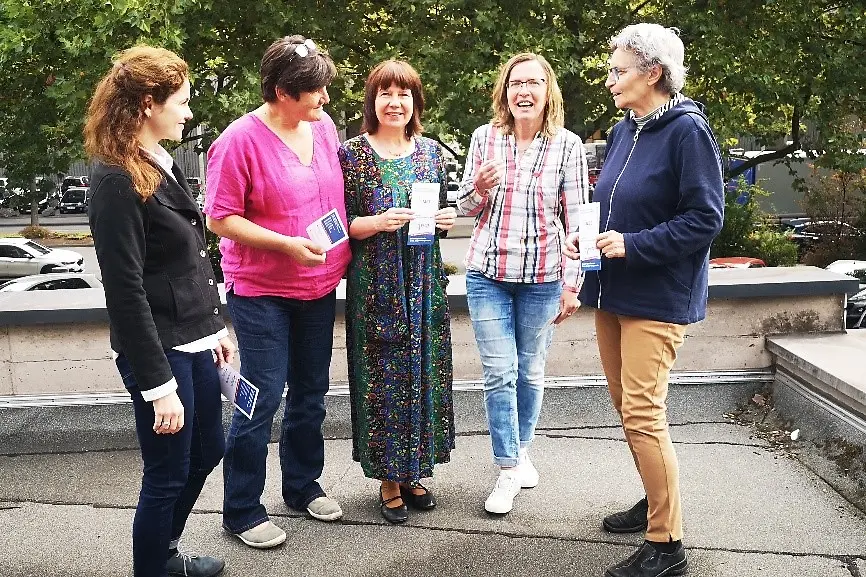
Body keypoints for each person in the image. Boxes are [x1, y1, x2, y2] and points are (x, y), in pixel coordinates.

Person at [564, 24, 724, 577]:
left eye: (619, 70)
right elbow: (615, 204)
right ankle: (656, 499)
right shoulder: (624, 130)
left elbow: (705, 219)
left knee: (642, 412)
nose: (609, 80)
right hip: (612, 290)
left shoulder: (688, 133)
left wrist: (632, 245)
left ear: (652, 72)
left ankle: (668, 543)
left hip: (657, 295)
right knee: (628, 410)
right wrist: (587, 238)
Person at [85, 46, 234, 577]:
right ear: (149, 104)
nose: (188, 112)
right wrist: (158, 385)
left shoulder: (157, 165)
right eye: (182, 102)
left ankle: (165, 549)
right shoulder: (115, 179)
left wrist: (213, 326)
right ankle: (154, 566)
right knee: (167, 472)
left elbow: (187, 261)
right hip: (160, 353)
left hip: (191, 338)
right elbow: (125, 292)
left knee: (208, 449)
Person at [205, 36, 351, 548]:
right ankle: (241, 508)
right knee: (260, 397)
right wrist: (286, 245)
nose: (326, 100)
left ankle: (302, 485)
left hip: (318, 285)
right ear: (283, 92)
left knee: (311, 392)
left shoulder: (323, 126)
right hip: (261, 291)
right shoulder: (238, 140)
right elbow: (220, 219)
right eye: (316, 92)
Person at [456, 53, 590, 515]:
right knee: (499, 370)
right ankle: (508, 467)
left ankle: (521, 449)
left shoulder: (568, 145)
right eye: (516, 83)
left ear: (547, 90)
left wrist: (572, 283)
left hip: (542, 278)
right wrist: (477, 188)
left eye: (533, 83)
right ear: (505, 91)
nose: (524, 91)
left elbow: (576, 222)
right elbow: (464, 210)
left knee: (530, 371)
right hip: (487, 274)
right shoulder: (484, 138)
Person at [338, 60, 457, 524]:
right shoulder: (351, 155)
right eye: (385, 93)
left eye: (404, 94)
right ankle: (388, 478)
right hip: (377, 286)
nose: (395, 102)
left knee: (422, 375)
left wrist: (445, 221)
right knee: (382, 380)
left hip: (424, 283)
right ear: (372, 101)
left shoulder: (430, 153)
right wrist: (371, 225)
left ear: (415, 102)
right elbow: (335, 223)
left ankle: (414, 471)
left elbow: (434, 215)